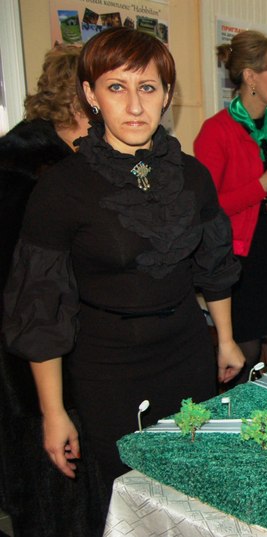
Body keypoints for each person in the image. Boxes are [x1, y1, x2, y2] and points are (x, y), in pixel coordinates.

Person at [2, 27, 244, 526]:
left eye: (147, 87)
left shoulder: (192, 175)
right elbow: (42, 306)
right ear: (90, 95)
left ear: (167, 95)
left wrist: (225, 339)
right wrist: (53, 411)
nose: (134, 105)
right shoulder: (62, 188)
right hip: (108, 368)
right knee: (132, 499)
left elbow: (214, 265)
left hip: (186, 352)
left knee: (195, 490)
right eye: (116, 87)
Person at [0, 44, 107, 537]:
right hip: (33, 364)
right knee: (56, 501)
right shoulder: (24, 171)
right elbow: (29, 291)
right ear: (82, 96)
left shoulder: (75, 157)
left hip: (68, 355)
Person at [194, 31, 267, 384]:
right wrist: (261, 186)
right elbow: (205, 208)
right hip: (238, 255)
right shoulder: (216, 131)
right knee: (247, 354)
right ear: (250, 77)